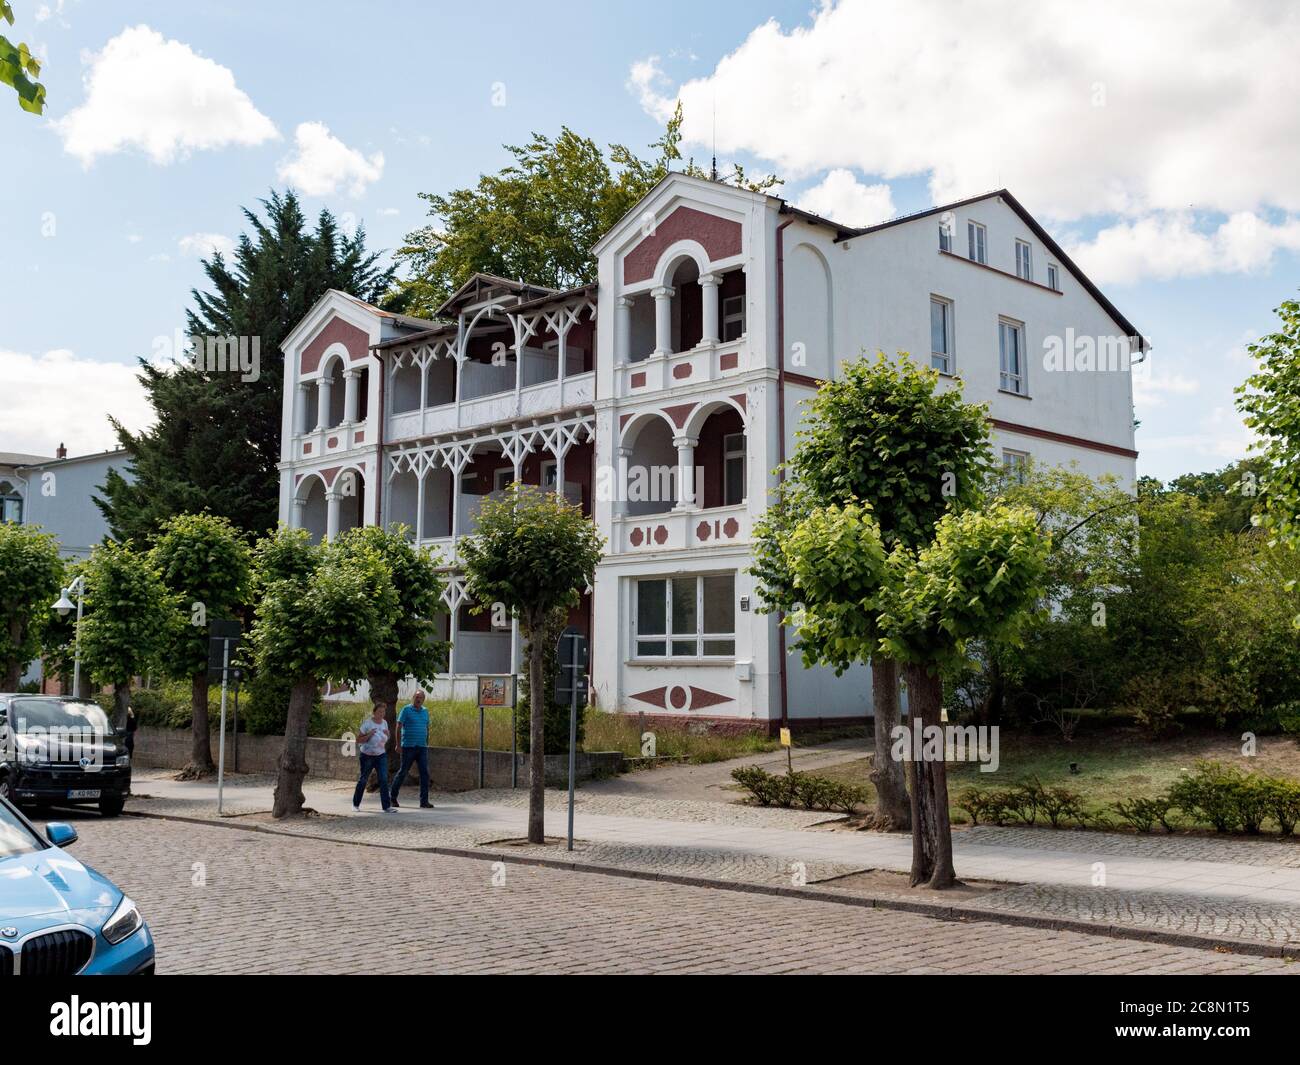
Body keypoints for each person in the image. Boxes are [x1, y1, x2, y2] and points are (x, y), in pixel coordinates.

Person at [390, 689, 433, 809]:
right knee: (403, 772)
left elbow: (426, 728)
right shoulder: (406, 710)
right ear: (413, 698)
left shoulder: (425, 711)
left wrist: (426, 742)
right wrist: (398, 744)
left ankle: (424, 801)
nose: (418, 699)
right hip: (408, 747)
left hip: (422, 747)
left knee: (424, 774)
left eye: (421, 697)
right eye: (417, 697)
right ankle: (392, 798)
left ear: (423, 699)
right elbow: (398, 727)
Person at [353, 703, 393, 812]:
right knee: (363, 780)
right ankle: (355, 804)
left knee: (384, 780)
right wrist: (369, 735)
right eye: (379, 711)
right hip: (367, 756)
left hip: (381, 755)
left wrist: (388, 734)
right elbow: (358, 740)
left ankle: (387, 806)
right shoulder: (367, 723)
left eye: (383, 712)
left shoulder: (384, 723)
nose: (382, 714)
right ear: (374, 712)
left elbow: (385, 738)